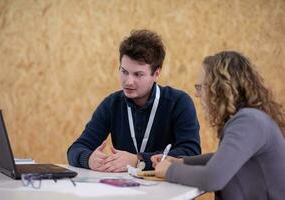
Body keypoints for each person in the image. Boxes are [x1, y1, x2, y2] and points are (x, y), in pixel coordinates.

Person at [152, 51, 285, 200]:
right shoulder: (252, 119)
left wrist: (170, 170)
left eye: (200, 87)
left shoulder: (248, 122)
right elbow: (224, 159)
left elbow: (213, 177)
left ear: (220, 88)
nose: (197, 94)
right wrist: (182, 161)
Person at [67, 29, 201, 172]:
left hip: (169, 189)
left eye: (138, 74)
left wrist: (139, 160)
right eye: (124, 72)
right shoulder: (112, 104)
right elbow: (75, 149)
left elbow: (191, 153)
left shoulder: (179, 102)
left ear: (156, 74)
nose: (129, 82)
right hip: (130, 191)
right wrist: (88, 159)